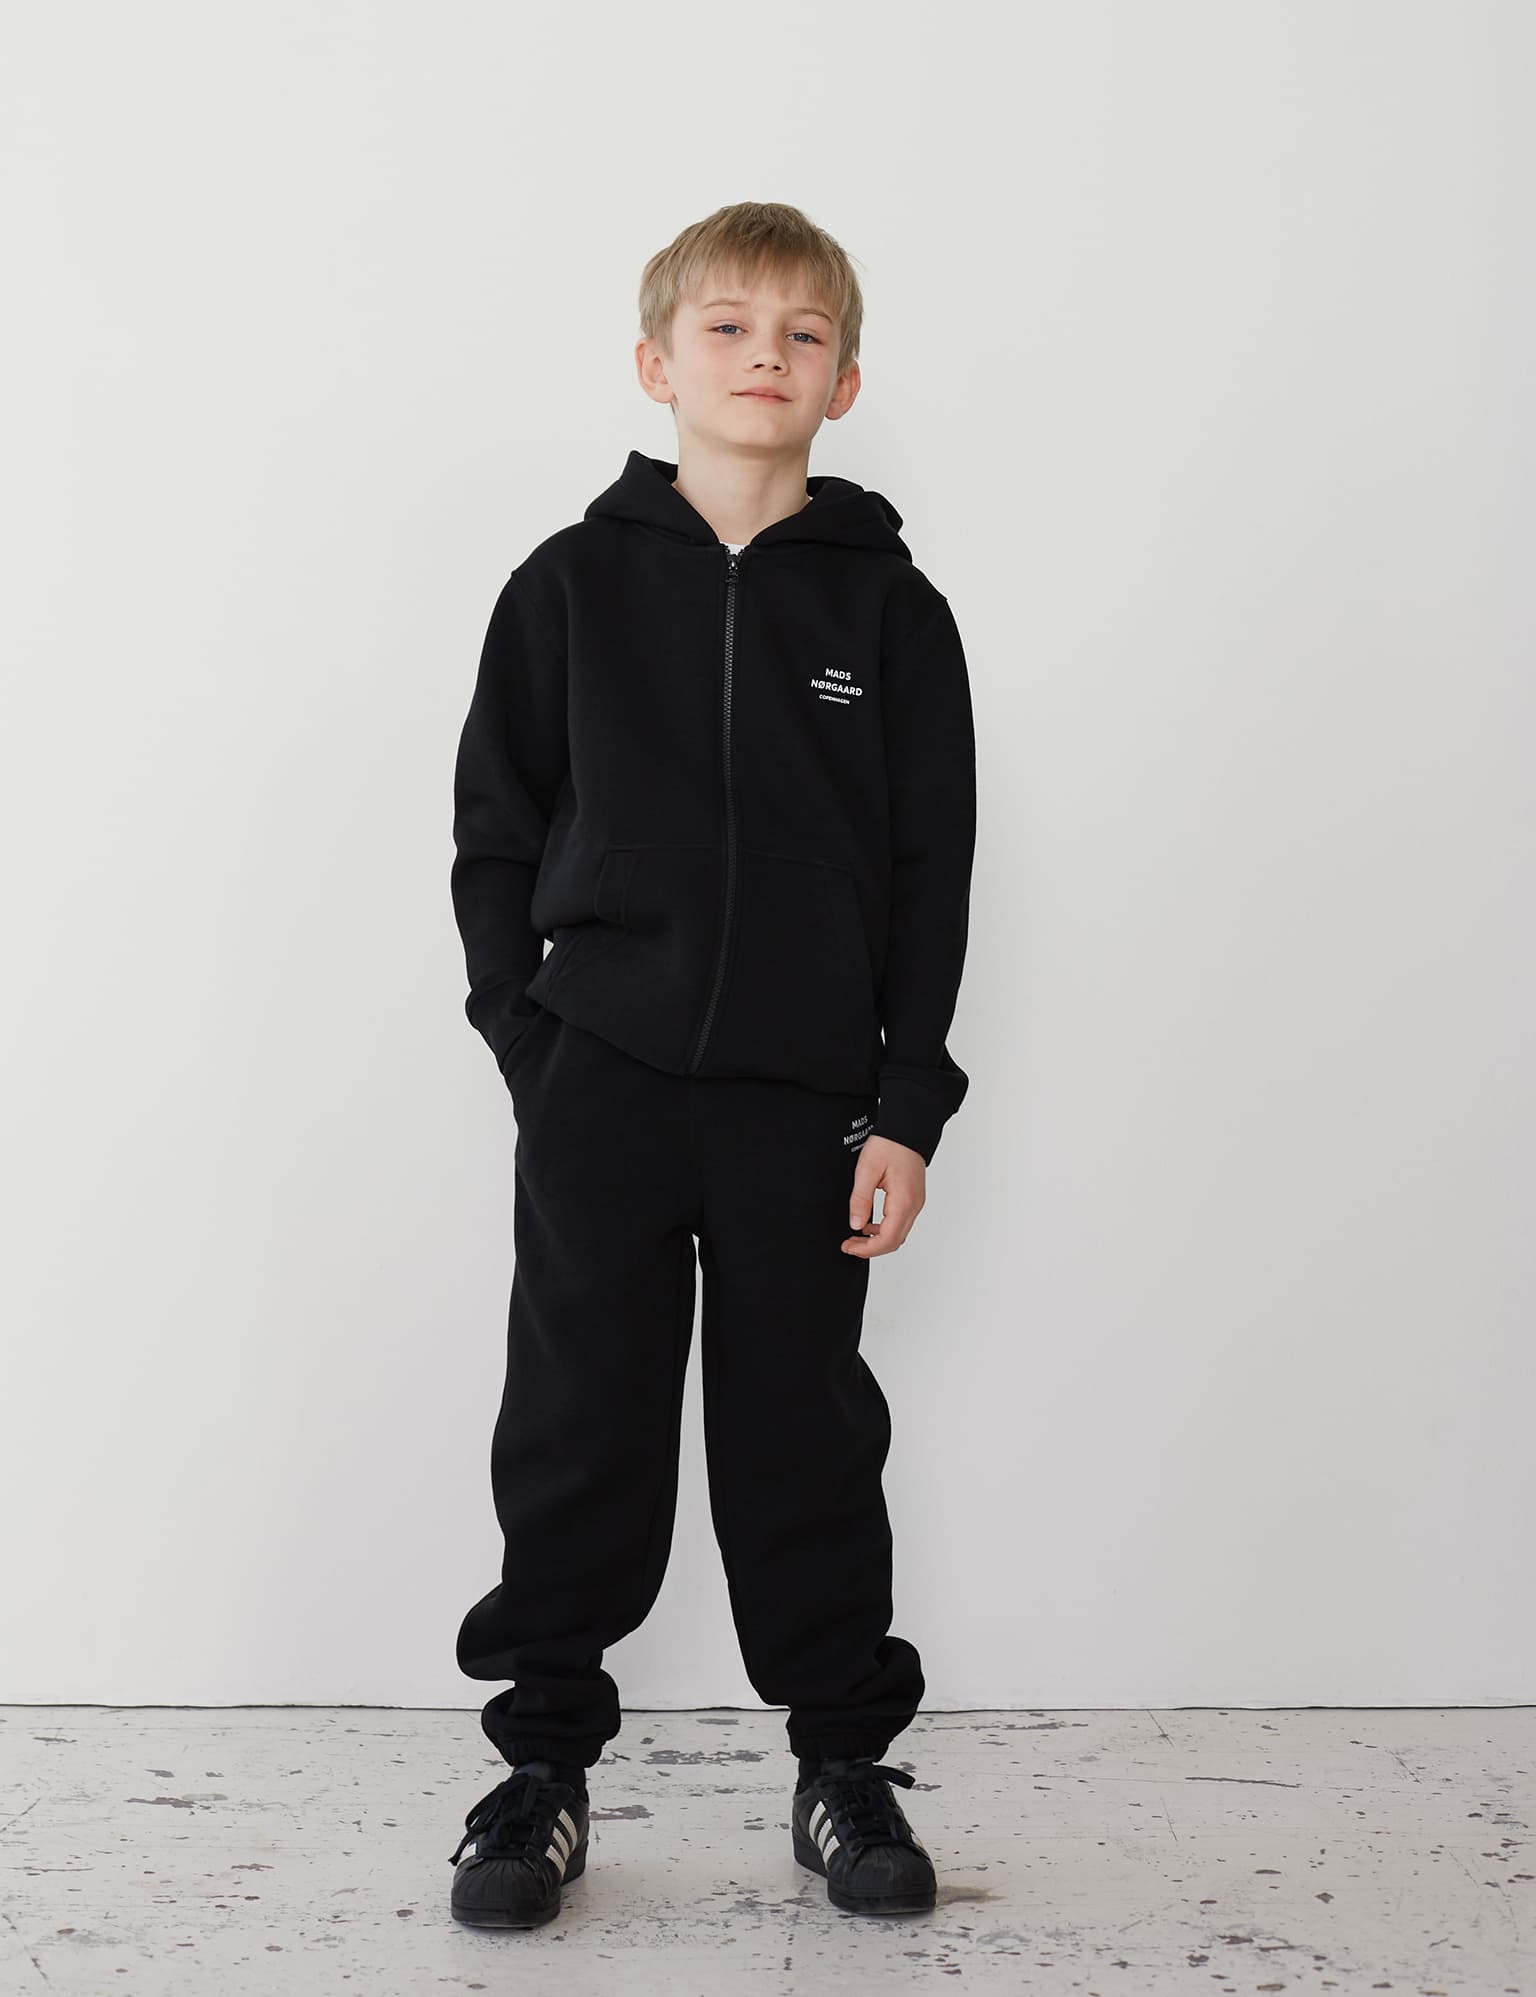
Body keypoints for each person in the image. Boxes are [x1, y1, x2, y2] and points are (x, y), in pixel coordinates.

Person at [445, 200, 976, 1929]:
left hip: (801, 1102)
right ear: (656, 362)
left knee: (801, 1430)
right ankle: (539, 1769)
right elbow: (495, 833)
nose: (767, 355)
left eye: (804, 334)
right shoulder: (569, 587)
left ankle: (841, 1764)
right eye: (730, 327)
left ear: (844, 381)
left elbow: (932, 877)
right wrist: (530, 1036)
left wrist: (906, 1105)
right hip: (601, 1077)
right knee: (579, 1416)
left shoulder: (892, 613)